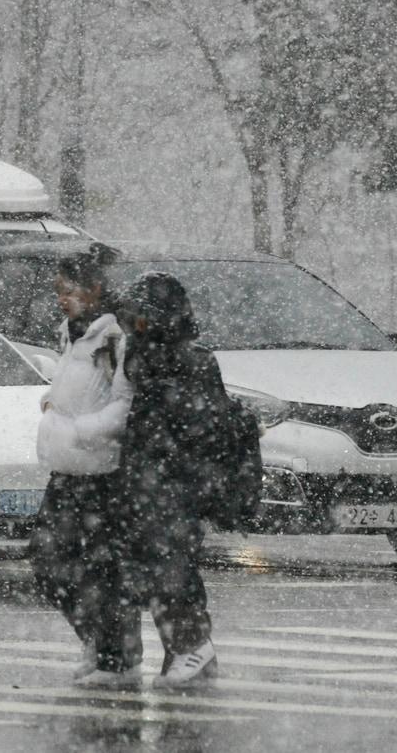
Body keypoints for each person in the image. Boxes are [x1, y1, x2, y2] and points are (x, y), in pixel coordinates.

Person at [107, 271, 228, 690]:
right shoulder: (135, 355)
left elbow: (205, 428)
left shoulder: (192, 360)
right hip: (143, 479)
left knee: (171, 567)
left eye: (140, 316)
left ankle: (192, 645)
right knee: (152, 567)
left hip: (174, 483)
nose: (133, 325)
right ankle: (186, 647)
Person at [27, 244, 136, 687]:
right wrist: (53, 404)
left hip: (102, 475)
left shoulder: (113, 339)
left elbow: (125, 404)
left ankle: (115, 660)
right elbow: (74, 388)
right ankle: (97, 641)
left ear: (94, 289)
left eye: (67, 289)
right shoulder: (70, 334)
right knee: (48, 561)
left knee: (99, 571)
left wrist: (83, 430)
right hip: (67, 471)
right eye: (57, 290)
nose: (61, 298)